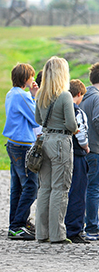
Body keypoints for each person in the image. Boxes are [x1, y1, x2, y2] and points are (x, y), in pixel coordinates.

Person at [35, 56, 78, 244]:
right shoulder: (64, 95)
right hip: (61, 142)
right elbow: (70, 124)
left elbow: (38, 119)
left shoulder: (41, 94)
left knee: (45, 187)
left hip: (44, 140)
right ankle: (57, 234)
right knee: (60, 188)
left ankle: (41, 232)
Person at [4, 63, 39, 240]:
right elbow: (35, 118)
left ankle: (16, 222)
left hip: (12, 144)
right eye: (31, 76)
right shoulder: (22, 96)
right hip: (23, 146)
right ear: (26, 78)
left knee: (17, 187)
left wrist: (30, 96)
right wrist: (34, 97)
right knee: (32, 186)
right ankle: (17, 224)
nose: (33, 80)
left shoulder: (11, 93)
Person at [79, 62, 99, 241]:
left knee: (83, 187)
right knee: (94, 188)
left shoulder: (83, 96)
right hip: (95, 149)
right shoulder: (98, 98)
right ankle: (92, 227)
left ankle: (82, 223)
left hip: (82, 149)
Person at [65, 79, 91, 244]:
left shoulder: (62, 109)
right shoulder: (77, 112)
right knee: (78, 192)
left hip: (64, 154)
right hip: (78, 155)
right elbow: (80, 134)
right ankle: (74, 228)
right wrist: (86, 147)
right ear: (79, 94)